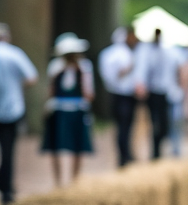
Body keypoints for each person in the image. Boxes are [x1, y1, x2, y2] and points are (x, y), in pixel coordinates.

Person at [42, 32, 94, 185]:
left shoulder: (84, 67)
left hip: (77, 110)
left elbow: (89, 93)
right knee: (56, 147)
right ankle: (58, 182)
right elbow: (51, 91)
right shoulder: (56, 67)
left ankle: (74, 180)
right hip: (59, 111)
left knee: (78, 147)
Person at [0, 23, 38, 205]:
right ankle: (6, 190)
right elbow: (32, 78)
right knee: (8, 152)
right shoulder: (15, 54)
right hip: (11, 110)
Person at [134, 28, 178, 159]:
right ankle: (155, 151)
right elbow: (142, 69)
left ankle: (158, 148)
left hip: (165, 92)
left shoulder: (167, 51)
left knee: (163, 124)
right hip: (152, 92)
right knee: (154, 122)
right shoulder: (147, 52)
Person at [98, 27, 139, 167]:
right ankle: (124, 155)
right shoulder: (122, 54)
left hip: (120, 94)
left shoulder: (108, 54)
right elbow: (116, 75)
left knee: (124, 127)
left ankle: (125, 154)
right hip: (122, 95)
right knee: (124, 127)